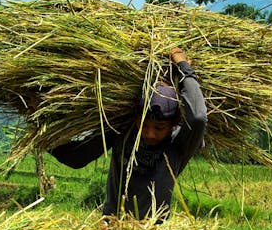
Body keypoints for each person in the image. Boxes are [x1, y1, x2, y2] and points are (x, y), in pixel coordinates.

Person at [49, 47, 207, 219]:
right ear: (136, 118)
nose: (150, 134)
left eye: (159, 128)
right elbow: (76, 158)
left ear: (173, 123)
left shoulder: (179, 143)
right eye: (144, 125)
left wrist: (184, 67)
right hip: (112, 228)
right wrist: (43, 128)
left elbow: (198, 117)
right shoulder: (122, 131)